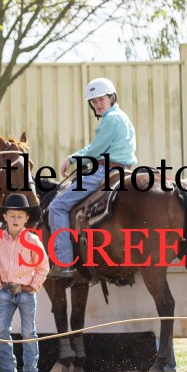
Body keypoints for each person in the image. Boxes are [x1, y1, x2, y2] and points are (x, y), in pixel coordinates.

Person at [46, 77, 137, 279]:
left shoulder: (110, 120)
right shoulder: (122, 117)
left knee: (57, 207)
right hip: (125, 170)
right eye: (94, 101)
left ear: (111, 98)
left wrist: (71, 158)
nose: (97, 104)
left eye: (101, 100)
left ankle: (64, 262)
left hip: (103, 171)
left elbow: (95, 150)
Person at [0, 193, 49, 372]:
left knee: (28, 332)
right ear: (5, 217)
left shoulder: (32, 240)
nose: (15, 219)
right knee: (0, 330)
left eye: (20, 216)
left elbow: (43, 267)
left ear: (26, 219)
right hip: (6, 291)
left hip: (25, 291)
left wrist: (33, 286)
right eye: (12, 215)